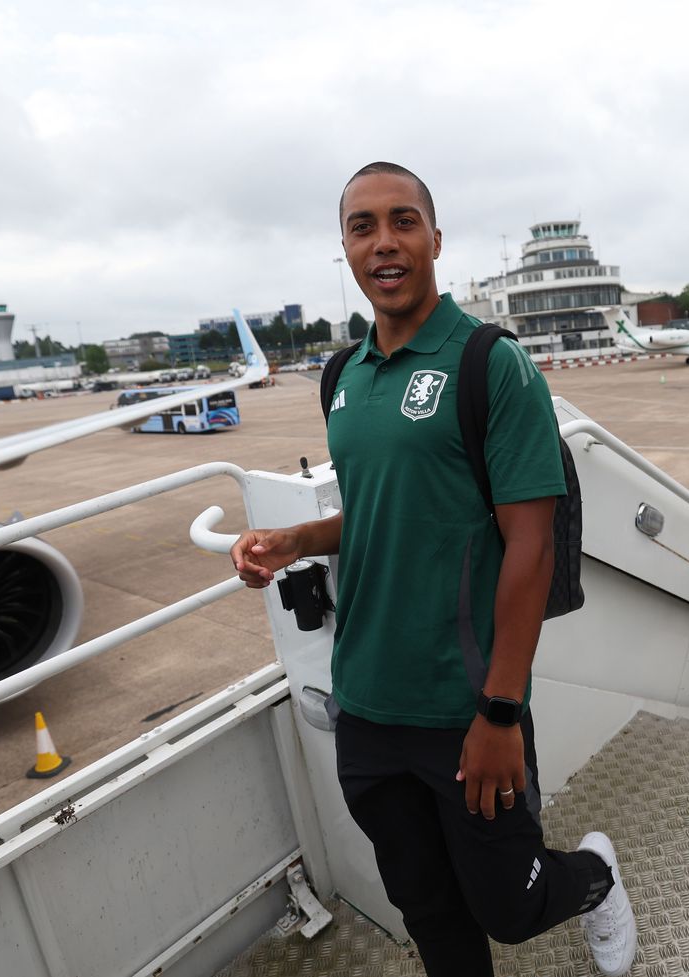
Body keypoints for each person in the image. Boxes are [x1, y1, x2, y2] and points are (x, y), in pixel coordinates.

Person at [229, 162, 635, 977]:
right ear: (345, 247)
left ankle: (595, 877)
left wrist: (499, 711)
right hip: (366, 704)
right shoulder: (342, 377)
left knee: (509, 906)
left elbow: (532, 544)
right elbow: (387, 512)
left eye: (403, 221)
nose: (383, 242)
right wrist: (298, 538)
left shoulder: (490, 363)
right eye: (363, 226)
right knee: (429, 909)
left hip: (465, 704)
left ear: (435, 239)